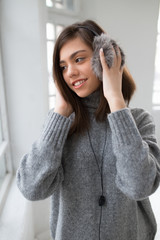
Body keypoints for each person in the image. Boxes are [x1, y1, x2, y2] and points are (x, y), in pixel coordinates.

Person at [16, 20, 160, 240]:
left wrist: (115, 99)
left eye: (79, 59)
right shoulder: (59, 125)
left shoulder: (138, 121)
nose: (70, 72)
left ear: (106, 58)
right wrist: (61, 111)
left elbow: (140, 186)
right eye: (63, 66)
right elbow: (31, 188)